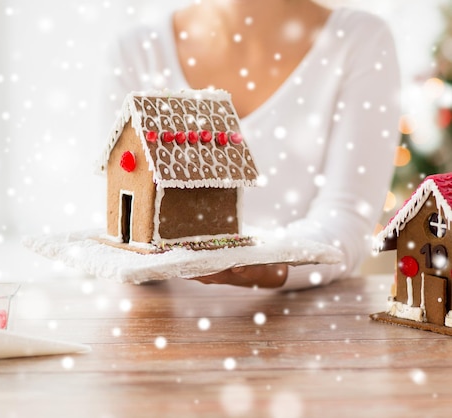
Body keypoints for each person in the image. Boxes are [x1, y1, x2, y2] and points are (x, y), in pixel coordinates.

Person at [100, 0, 401, 290]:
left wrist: (272, 263)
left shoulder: (360, 41)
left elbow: (345, 221)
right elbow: (119, 213)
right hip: (156, 322)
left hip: (300, 324)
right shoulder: (135, 51)